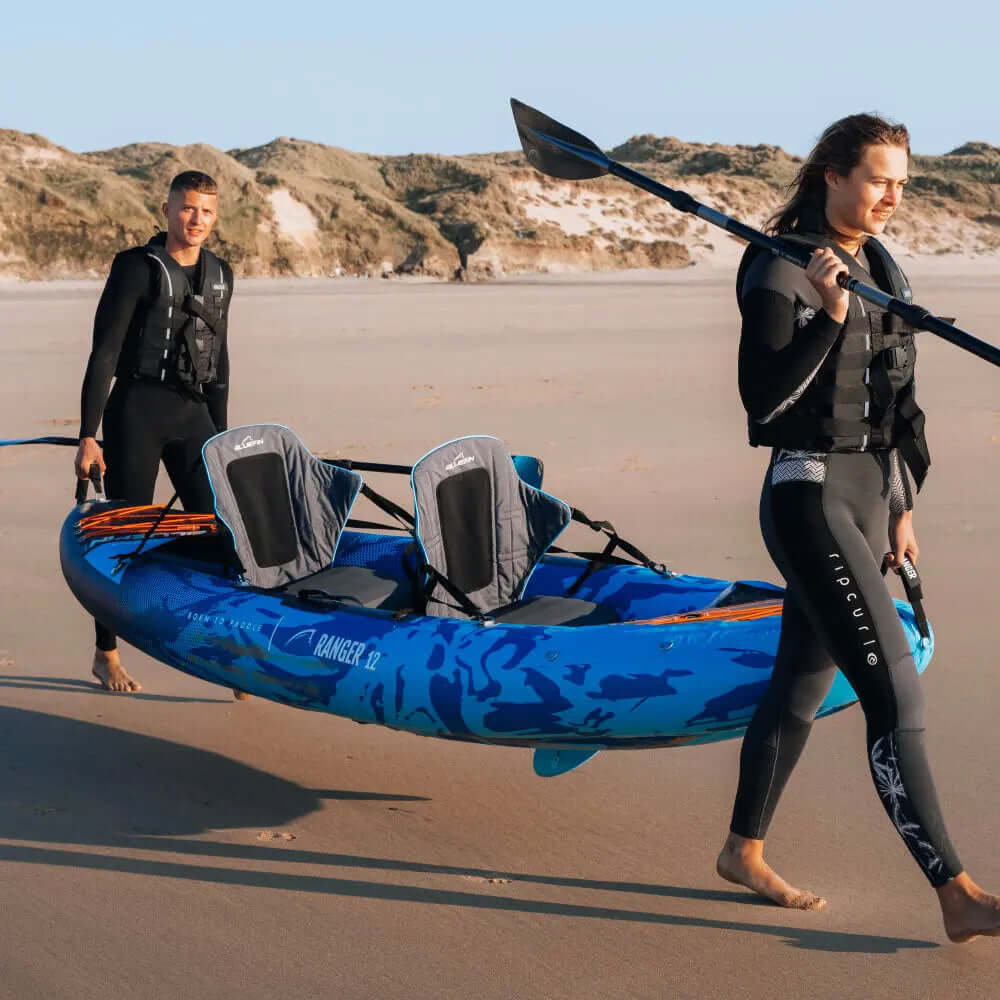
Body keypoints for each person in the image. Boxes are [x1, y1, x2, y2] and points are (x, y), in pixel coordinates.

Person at [715, 114, 1000, 943]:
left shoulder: (881, 262)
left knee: (799, 689)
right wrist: (830, 317)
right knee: (895, 690)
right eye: (879, 179)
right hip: (808, 499)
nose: (893, 196)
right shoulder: (778, 266)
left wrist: (904, 504)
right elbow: (761, 402)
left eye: (902, 182)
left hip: (870, 499)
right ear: (832, 173)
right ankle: (957, 892)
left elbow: (898, 401)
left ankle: (741, 849)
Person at [75, 170, 233, 694]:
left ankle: (228, 648)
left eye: (206, 212)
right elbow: (105, 352)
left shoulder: (221, 274)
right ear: (166, 209)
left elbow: (220, 359)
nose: (196, 220)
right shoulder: (135, 268)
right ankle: (107, 654)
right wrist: (88, 434)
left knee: (221, 529)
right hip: (136, 411)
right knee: (127, 536)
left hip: (193, 415)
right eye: (187, 209)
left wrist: (222, 438)